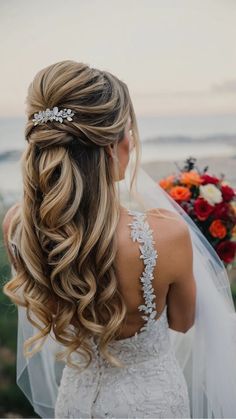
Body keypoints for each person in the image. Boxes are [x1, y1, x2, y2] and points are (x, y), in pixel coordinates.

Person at [2, 60, 236, 419]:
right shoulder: (166, 235)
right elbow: (182, 322)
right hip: (152, 404)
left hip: (76, 402)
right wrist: (202, 259)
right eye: (127, 129)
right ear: (112, 145)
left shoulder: (18, 226)